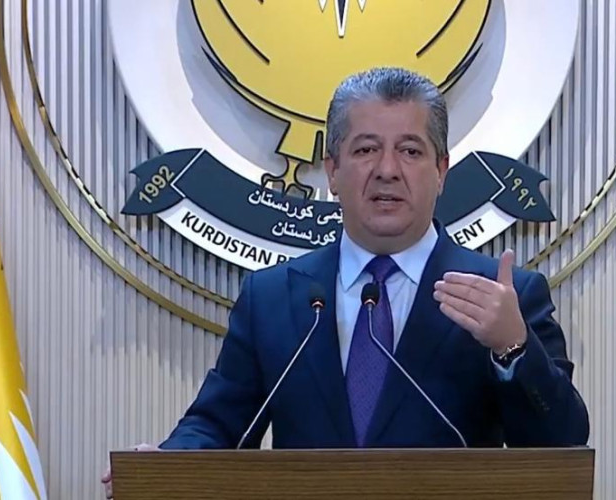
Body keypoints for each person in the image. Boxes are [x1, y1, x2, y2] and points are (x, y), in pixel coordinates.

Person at [102, 67, 589, 497]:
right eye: (366, 149)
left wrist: (513, 347)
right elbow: (217, 424)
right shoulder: (273, 298)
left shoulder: (506, 297)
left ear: (441, 171)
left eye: (410, 151)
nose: (387, 171)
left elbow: (562, 445)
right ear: (333, 171)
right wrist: (166, 466)